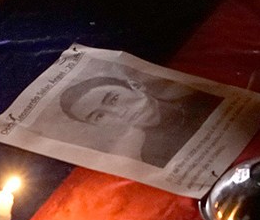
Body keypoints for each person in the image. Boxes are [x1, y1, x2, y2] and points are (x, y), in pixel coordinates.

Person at [58, 68, 221, 169]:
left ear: (135, 86)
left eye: (113, 99)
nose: (118, 113)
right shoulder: (154, 156)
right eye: (99, 116)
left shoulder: (200, 97)